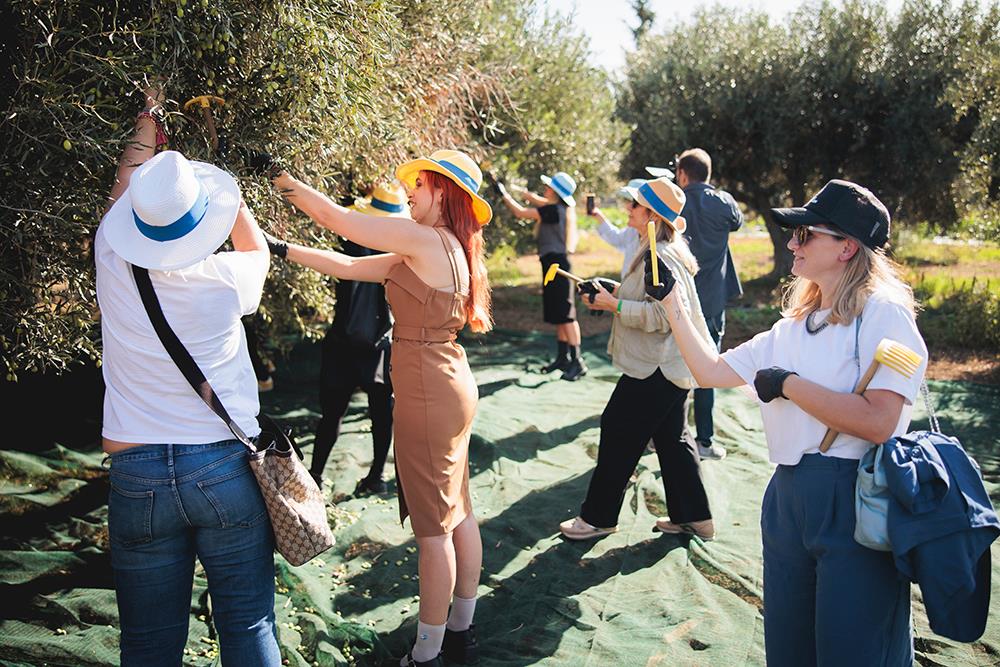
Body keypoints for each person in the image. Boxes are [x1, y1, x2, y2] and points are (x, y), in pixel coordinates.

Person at [645, 179, 927, 666]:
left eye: (805, 233)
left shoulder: (886, 316)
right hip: (787, 498)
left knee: (854, 649)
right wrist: (673, 304)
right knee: (790, 645)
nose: (791, 242)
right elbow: (708, 372)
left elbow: (880, 422)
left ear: (847, 248)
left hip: (855, 497)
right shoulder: (792, 326)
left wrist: (790, 384)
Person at [257, 149, 490, 667]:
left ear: (443, 193)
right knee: (459, 511)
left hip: (429, 389)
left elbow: (338, 221)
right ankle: (461, 630)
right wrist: (278, 247)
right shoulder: (442, 247)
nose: (409, 191)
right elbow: (345, 263)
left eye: (420, 186)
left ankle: (427, 655)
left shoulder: (423, 239)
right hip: (449, 381)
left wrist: (278, 175)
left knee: (433, 532)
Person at [96, 84, 279, 665]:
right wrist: (222, 192)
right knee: (247, 623)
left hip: (135, 471)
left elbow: (126, 186)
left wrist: (146, 122)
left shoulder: (111, 257)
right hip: (223, 466)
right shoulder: (227, 279)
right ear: (205, 221)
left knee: (148, 641)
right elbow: (258, 248)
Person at [558, 177, 716, 542]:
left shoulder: (660, 256)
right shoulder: (655, 250)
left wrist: (613, 305)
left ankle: (598, 518)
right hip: (671, 365)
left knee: (617, 428)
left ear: (652, 217)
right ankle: (695, 518)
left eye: (636, 205)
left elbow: (664, 318)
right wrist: (610, 291)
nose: (628, 208)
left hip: (657, 366)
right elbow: (650, 301)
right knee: (672, 439)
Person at [309, 184, 409, 497]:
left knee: (332, 414)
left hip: (343, 341)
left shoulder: (351, 240)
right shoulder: (402, 251)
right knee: (381, 414)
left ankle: (315, 475)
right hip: (381, 344)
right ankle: (377, 476)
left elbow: (333, 216)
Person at [674, 148, 744, 461]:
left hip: (679, 298)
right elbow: (737, 222)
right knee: (708, 371)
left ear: (683, 174)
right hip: (713, 299)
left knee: (670, 367)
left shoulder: (675, 200)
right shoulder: (724, 202)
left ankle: (660, 435)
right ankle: (704, 440)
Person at [496, 171, 586, 381]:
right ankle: (563, 358)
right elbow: (541, 201)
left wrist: (504, 195)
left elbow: (520, 213)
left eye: (548, 187)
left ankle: (577, 361)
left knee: (566, 315)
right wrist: (527, 194)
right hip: (552, 264)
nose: (544, 189)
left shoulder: (552, 210)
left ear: (555, 192)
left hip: (557, 266)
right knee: (558, 314)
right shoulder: (557, 208)